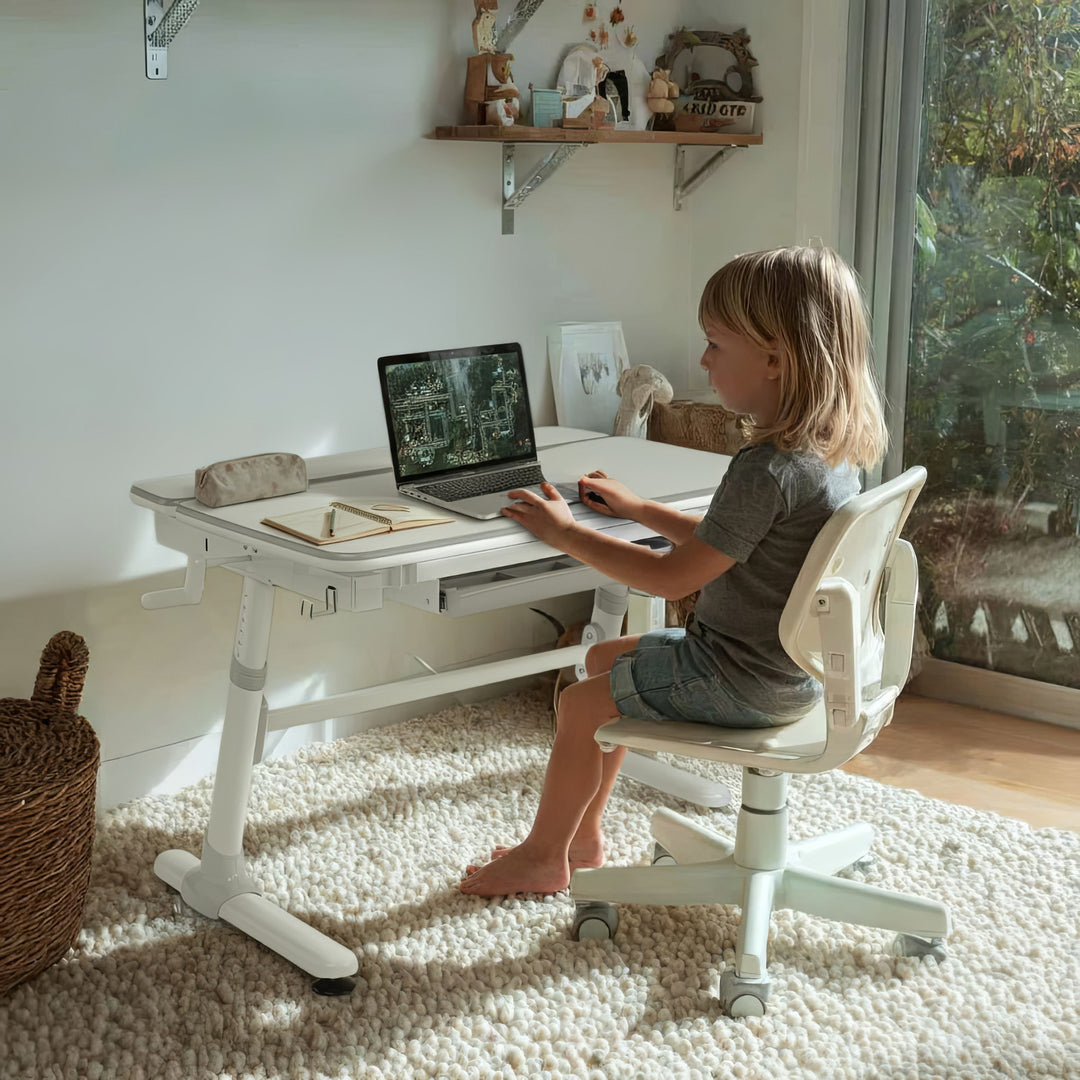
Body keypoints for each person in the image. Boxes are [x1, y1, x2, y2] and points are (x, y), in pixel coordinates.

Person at [459, 245, 888, 898]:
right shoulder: (826, 457)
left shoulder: (764, 469)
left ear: (775, 359)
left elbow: (671, 581)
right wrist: (642, 510)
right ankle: (583, 836)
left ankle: (542, 857)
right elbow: (735, 546)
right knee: (602, 660)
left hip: (739, 678)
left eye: (716, 344)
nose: (703, 360)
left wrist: (567, 534)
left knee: (580, 706)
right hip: (791, 673)